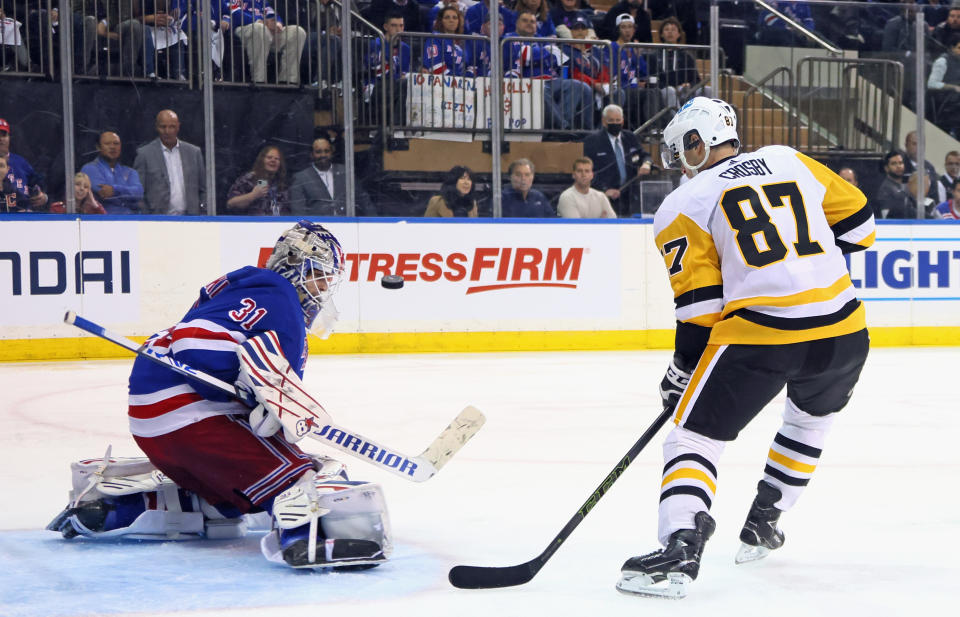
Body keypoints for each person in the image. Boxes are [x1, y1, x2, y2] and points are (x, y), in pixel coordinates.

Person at [617, 97, 874, 599]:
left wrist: (680, 374)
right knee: (808, 422)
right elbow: (861, 229)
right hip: (844, 330)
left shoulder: (682, 205)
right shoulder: (788, 158)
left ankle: (681, 545)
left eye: (679, 151)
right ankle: (766, 520)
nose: (677, 165)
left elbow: (699, 310)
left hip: (762, 335)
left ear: (697, 142)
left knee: (692, 436)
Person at [47, 221, 392, 571]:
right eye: (320, 275)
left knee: (235, 495)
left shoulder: (233, 289)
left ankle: (117, 508)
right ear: (296, 266)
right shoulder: (280, 295)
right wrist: (257, 398)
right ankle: (304, 538)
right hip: (189, 411)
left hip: (152, 417)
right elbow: (194, 345)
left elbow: (194, 342)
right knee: (298, 476)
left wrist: (252, 395)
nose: (322, 289)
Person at [503, 9, 594, 132]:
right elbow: (524, 55)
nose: (529, 24)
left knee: (580, 86)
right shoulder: (509, 39)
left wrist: (536, 56)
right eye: (525, 21)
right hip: (527, 83)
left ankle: (585, 131)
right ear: (517, 23)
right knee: (540, 90)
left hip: (551, 80)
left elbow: (559, 58)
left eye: (533, 22)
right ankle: (563, 128)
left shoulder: (542, 39)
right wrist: (546, 54)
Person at [583, 104, 652, 216]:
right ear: (604, 121)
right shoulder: (592, 141)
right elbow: (588, 171)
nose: (615, 123)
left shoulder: (630, 137)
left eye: (618, 120)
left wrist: (646, 164)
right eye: (611, 120)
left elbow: (645, 155)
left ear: (622, 121)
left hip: (630, 196)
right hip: (606, 198)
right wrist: (604, 190)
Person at [133, 110, 206, 215]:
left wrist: (202, 212)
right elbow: (139, 193)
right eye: (163, 127)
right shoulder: (144, 154)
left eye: (171, 127)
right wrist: (147, 218)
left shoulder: (194, 153)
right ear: (156, 127)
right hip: (158, 221)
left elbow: (204, 189)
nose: (167, 131)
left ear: (178, 127)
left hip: (191, 220)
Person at [289, 138, 375, 216]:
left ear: (332, 153)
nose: (323, 155)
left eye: (327, 151)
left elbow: (364, 200)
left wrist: (375, 222)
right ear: (311, 154)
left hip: (347, 227)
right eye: (318, 152)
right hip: (318, 230)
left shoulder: (345, 172)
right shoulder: (300, 178)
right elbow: (298, 212)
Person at [231, 0, 306, 84]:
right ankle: (258, 80)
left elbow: (272, 14)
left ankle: (288, 81)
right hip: (243, 28)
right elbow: (234, 14)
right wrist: (261, 22)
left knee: (297, 32)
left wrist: (277, 24)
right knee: (259, 28)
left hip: (266, 28)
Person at [647, 17, 710, 111]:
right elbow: (652, 79)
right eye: (667, 29)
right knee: (670, 91)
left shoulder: (687, 56)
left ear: (679, 34)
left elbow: (696, 80)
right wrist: (672, 87)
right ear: (661, 34)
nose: (670, 32)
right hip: (664, 90)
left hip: (684, 91)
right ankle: (678, 119)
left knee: (708, 90)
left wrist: (688, 85)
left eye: (673, 30)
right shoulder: (654, 55)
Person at [80, 131, 145, 215]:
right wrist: (130, 199)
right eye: (107, 143)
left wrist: (114, 190)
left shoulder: (130, 172)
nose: (112, 147)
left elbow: (139, 193)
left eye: (116, 143)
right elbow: (104, 194)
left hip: (131, 222)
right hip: (100, 222)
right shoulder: (90, 169)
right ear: (98, 147)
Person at [365, 12, 412, 123]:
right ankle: (395, 126)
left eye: (401, 25)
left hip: (396, 86)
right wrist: (400, 77)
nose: (398, 29)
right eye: (394, 25)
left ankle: (398, 126)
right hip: (375, 85)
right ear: (385, 27)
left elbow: (405, 72)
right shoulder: (375, 45)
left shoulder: (406, 48)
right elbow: (380, 73)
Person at [610, 14, 652, 127]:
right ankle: (650, 129)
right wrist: (634, 82)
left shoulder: (635, 49)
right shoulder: (612, 47)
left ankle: (653, 129)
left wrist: (638, 56)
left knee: (654, 91)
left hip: (636, 89)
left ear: (634, 29)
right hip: (622, 89)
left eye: (630, 27)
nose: (627, 30)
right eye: (623, 27)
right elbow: (613, 73)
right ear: (618, 29)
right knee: (647, 94)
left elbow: (644, 74)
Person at [0, 117, 49, 211]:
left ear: (9, 138)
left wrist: (43, 196)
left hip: (24, 217)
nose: (0, 139)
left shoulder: (21, 162)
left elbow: (37, 182)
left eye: (3, 135)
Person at [226, 145, 290, 215]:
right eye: (269, 157)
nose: (273, 160)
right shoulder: (250, 178)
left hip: (278, 224)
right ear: (261, 160)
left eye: (277, 159)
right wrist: (253, 195)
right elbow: (230, 204)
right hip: (253, 224)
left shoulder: (282, 183)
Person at [927, 36, 960, 139]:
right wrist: (953, 87)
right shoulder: (942, 61)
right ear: (952, 48)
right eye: (959, 48)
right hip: (944, 101)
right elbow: (931, 84)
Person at [422, 6, 468, 76]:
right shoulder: (435, 38)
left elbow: (469, 65)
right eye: (447, 17)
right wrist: (455, 81)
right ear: (441, 21)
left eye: (455, 18)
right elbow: (436, 67)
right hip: (442, 83)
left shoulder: (461, 41)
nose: (451, 20)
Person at [901, 130, 941, 203]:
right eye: (914, 144)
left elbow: (935, 195)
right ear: (906, 145)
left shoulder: (929, 167)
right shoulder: (900, 166)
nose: (918, 147)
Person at [871, 151, 913, 219]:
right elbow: (886, 216)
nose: (898, 166)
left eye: (900, 163)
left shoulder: (907, 185)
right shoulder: (885, 189)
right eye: (894, 164)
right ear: (886, 168)